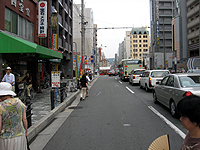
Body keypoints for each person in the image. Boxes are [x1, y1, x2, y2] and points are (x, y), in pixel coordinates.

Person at [0, 82, 28, 150]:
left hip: (6, 138)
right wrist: (26, 131)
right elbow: (24, 119)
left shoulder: (1, 106)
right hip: (20, 135)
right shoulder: (19, 102)